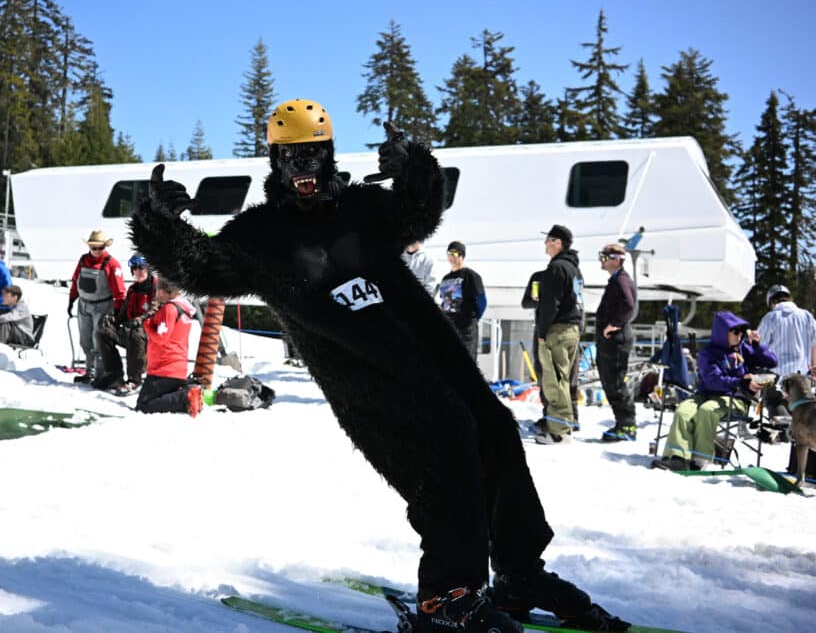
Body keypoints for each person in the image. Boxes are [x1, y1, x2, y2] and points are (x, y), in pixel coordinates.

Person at [131, 99, 627, 632]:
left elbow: (419, 213)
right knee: (446, 450)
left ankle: (518, 572)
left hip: (430, 354)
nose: (304, 169)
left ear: (328, 155)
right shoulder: (260, 235)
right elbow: (203, 267)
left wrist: (415, 167)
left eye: (313, 155)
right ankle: (446, 598)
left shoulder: (363, 208)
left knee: (495, 431)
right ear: (275, 161)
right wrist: (157, 223)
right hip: (365, 381)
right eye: (291, 157)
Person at [654, 311, 777, 471]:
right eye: (735, 331)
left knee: (708, 410)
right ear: (723, 332)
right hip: (707, 394)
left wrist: (757, 346)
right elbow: (713, 380)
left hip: (736, 398)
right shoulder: (708, 353)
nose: (740, 335)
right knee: (683, 411)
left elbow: (772, 362)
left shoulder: (743, 349)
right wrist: (740, 381)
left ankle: (701, 459)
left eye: (741, 332)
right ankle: (678, 456)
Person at [534, 224, 585, 445]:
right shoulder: (575, 270)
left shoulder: (556, 268)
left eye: (549, 240)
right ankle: (563, 424)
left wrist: (542, 332)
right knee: (564, 378)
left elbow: (549, 304)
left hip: (557, 330)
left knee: (554, 380)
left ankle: (558, 430)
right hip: (573, 329)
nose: (545, 244)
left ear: (558, 243)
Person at [133, 276, 201, 416]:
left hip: (163, 368)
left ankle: (185, 398)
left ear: (165, 291)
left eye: (158, 290)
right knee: (154, 400)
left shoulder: (170, 308)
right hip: (176, 367)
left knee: (143, 406)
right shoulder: (184, 308)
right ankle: (186, 394)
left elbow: (161, 337)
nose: (157, 294)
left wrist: (147, 324)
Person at [68, 230, 126, 384]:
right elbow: (75, 281)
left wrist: (118, 311)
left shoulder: (112, 264)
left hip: (103, 307)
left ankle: (101, 374)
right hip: (83, 305)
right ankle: (89, 371)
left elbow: (120, 292)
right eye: (94, 248)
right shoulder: (82, 261)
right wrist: (71, 299)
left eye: (100, 248)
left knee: (98, 341)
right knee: (85, 340)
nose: (97, 251)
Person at [95, 253, 157, 391]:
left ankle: (135, 379)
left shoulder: (156, 288)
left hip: (151, 334)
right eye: (135, 268)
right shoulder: (133, 289)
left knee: (136, 334)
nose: (138, 271)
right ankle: (114, 374)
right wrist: (113, 319)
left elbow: (156, 310)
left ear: (148, 269)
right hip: (130, 330)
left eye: (141, 267)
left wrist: (140, 320)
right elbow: (123, 313)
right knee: (103, 332)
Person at [595, 244, 638, 442]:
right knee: (610, 381)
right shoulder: (617, 280)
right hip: (611, 341)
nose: (601, 260)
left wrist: (613, 325)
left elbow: (628, 305)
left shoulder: (621, 280)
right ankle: (622, 423)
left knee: (616, 382)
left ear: (615, 259)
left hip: (617, 340)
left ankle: (627, 425)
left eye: (604, 257)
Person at [756, 284, 816, 418]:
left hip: (776, 375)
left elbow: (760, 347)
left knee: (774, 401)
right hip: (802, 376)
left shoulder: (771, 318)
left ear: (772, 302)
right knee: (803, 407)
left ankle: (783, 428)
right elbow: (815, 343)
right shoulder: (807, 316)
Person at [438, 240, 486, 361]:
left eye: (454, 253)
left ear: (461, 255)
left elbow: (481, 301)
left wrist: (473, 318)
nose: (451, 257)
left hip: (466, 329)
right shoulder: (446, 278)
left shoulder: (471, 276)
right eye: (449, 253)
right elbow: (444, 302)